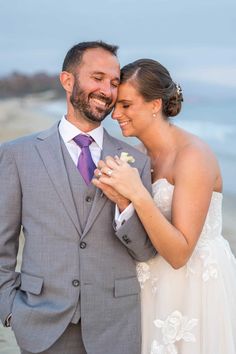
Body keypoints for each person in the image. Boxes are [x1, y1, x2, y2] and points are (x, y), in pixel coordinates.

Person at [0, 42, 156, 354]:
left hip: (117, 328)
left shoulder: (135, 161)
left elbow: (145, 251)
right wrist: (10, 310)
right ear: (67, 81)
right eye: (97, 78)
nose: (106, 91)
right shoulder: (18, 154)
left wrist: (125, 205)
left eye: (114, 83)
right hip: (41, 325)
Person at [93, 59, 236, 353]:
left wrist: (138, 194)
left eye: (126, 105)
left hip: (194, 287)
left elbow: (180, 252)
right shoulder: (136, 155)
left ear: (155, 104)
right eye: (115, 105)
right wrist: (122, 201)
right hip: (151, 282)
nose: (115, 114)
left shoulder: (193, 156)